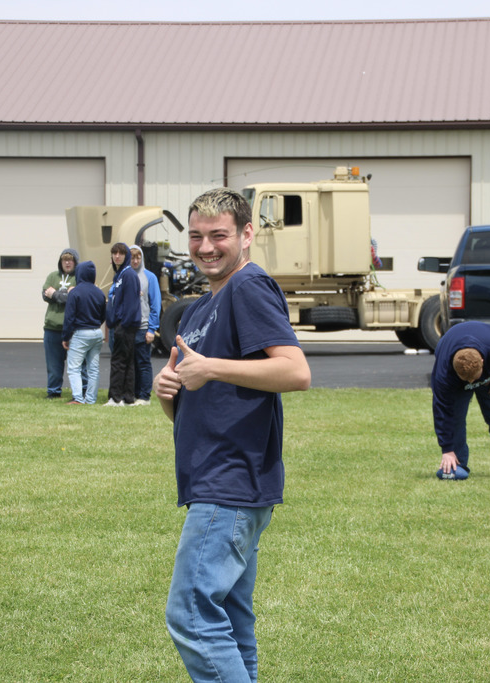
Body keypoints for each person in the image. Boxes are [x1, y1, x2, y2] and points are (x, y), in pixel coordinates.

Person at [154, 188, 311, 682]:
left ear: (246, 234)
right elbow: (197, 403)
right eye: (197, 237)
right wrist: (168, 393)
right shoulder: (201, 309)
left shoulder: (249, 287)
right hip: (217, 478)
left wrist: (213, 369)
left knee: (192, 614)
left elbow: (294, 371)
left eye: (218, 235)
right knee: (230, 616)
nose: (206, 247)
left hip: (231, 483)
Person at [432, 321, 490, 480]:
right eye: (467, 381)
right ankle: (457, 466)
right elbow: (442, 411)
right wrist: (446, 450)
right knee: (455, 421)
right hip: (456, 381)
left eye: (474, 379)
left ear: (482, 362)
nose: (471, 384)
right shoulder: (443, 374)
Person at [61, 260, 106, 404]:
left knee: (74, 368)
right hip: (96, 333)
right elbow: (103, 314)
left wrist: (65, 337)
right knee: (93, 369)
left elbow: (69, 318)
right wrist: (96, 324)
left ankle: (78, 398)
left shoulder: (75, 292)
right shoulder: (99, 292)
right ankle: (91, 399)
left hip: (81, 333)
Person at [42, 248, 83, 399]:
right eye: (64, 259)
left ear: (75, 262)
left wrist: (55, 294)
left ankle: (78, 394)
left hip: (73, 330)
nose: (67, 262)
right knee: (53, 364)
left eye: (70, 259)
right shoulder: (53, 276)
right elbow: (44, 294)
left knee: (76, 365)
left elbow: (75, 298)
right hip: (52, 328)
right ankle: (53, 391)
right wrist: (64, 295)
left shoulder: (79, 278)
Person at [105, 242, 142, 406]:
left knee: (119, 361)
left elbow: (131, 303)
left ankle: (116, 397)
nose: (117, 256)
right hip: (120, 324)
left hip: (126, 325)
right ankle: (127, 397)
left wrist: (123, 324)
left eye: (120, 253)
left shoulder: (128, 275)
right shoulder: (119, 275)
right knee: (126, 361)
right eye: (114, 253)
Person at [129, 244, 161, 406]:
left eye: (137, 257)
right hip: (127, 329)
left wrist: (152, 328)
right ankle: (133, 394)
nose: (135, 261)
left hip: (143, 328)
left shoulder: (150, 277)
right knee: (130, 363)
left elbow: (155, 304)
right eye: (132, 257)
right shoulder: (123, 275)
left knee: (143, 363)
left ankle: (144, 396)